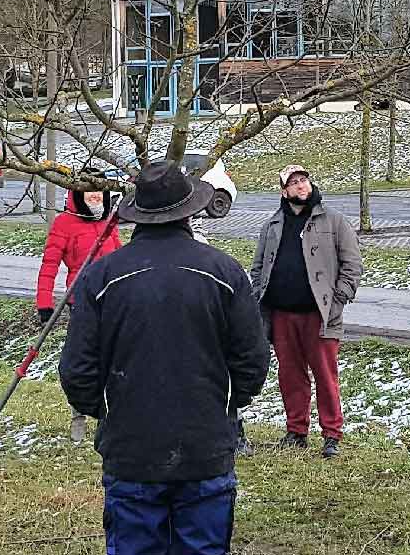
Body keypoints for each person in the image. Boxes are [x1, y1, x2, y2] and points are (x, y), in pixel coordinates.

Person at [59, 161, 269, 554]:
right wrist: (220, 403)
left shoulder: (101, 276)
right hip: (200, 447)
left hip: (135, 448)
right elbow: (253, 361)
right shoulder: (224, 271)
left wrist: (109, 410)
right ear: (189, 211)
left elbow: (76, 371)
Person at [249, 164, 362, 459]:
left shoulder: (334, 221)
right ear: (284, 191)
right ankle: (296, 431)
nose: (301, 186)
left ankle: (331, 435)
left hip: (320, 315)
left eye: (304, 180)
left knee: (326, 376)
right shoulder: (273, 225)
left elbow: (352, 266)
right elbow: (259, 267)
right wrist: (258, 298)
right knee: (290, 376)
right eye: (294, 182)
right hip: (282, 315)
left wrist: (338, 301)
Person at [36, 179, 121, 443]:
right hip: (81, 302)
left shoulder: (110, 223)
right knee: (82, 362)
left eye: (100, 196)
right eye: (90, 197)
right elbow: (49, 265)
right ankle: (78, 415)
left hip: (113, 301)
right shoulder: (64, 224)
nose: (95, 201)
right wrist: (44, 304)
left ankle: (112, 416)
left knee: (114, 362)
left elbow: (119, 256)